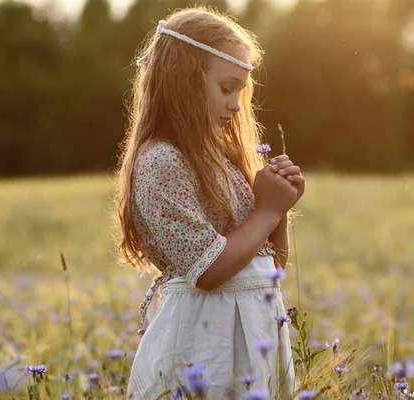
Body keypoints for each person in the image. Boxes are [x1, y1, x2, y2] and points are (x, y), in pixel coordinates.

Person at [114, 7, 305, 399]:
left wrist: (278, 211)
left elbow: (269, 271)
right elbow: (210, 271)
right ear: (182, 82)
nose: (237, 104)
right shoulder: (162, 161)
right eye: (226, 87)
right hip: (202, 348)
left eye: (241, 92)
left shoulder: (227, 163)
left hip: (254, 339)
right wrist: (266, 211)